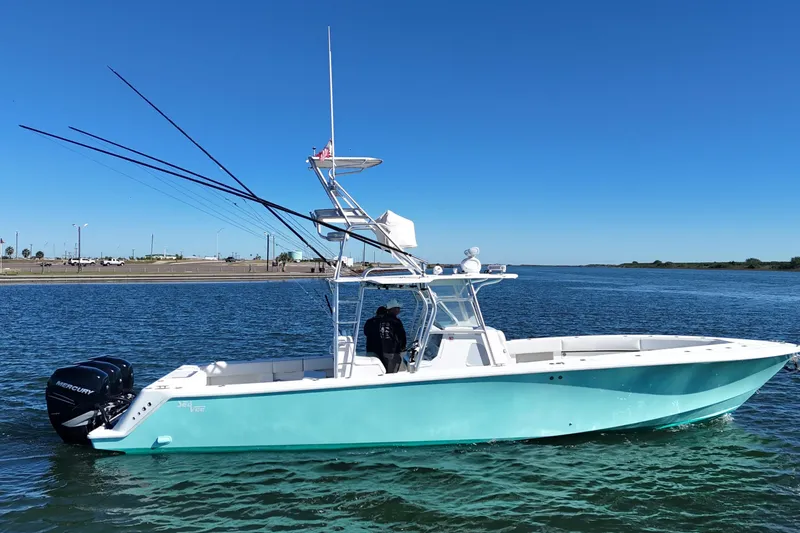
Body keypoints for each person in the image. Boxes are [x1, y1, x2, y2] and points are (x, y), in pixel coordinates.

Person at [377, 299, 407, 373]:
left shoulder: (383, 320)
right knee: (393, 371)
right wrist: (403, 347)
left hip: (384, 350)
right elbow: (401, 336)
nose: (399, 310)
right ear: (393, 309)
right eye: (397, 308)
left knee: (387, 368)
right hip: (394, 351)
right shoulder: (396, 321)